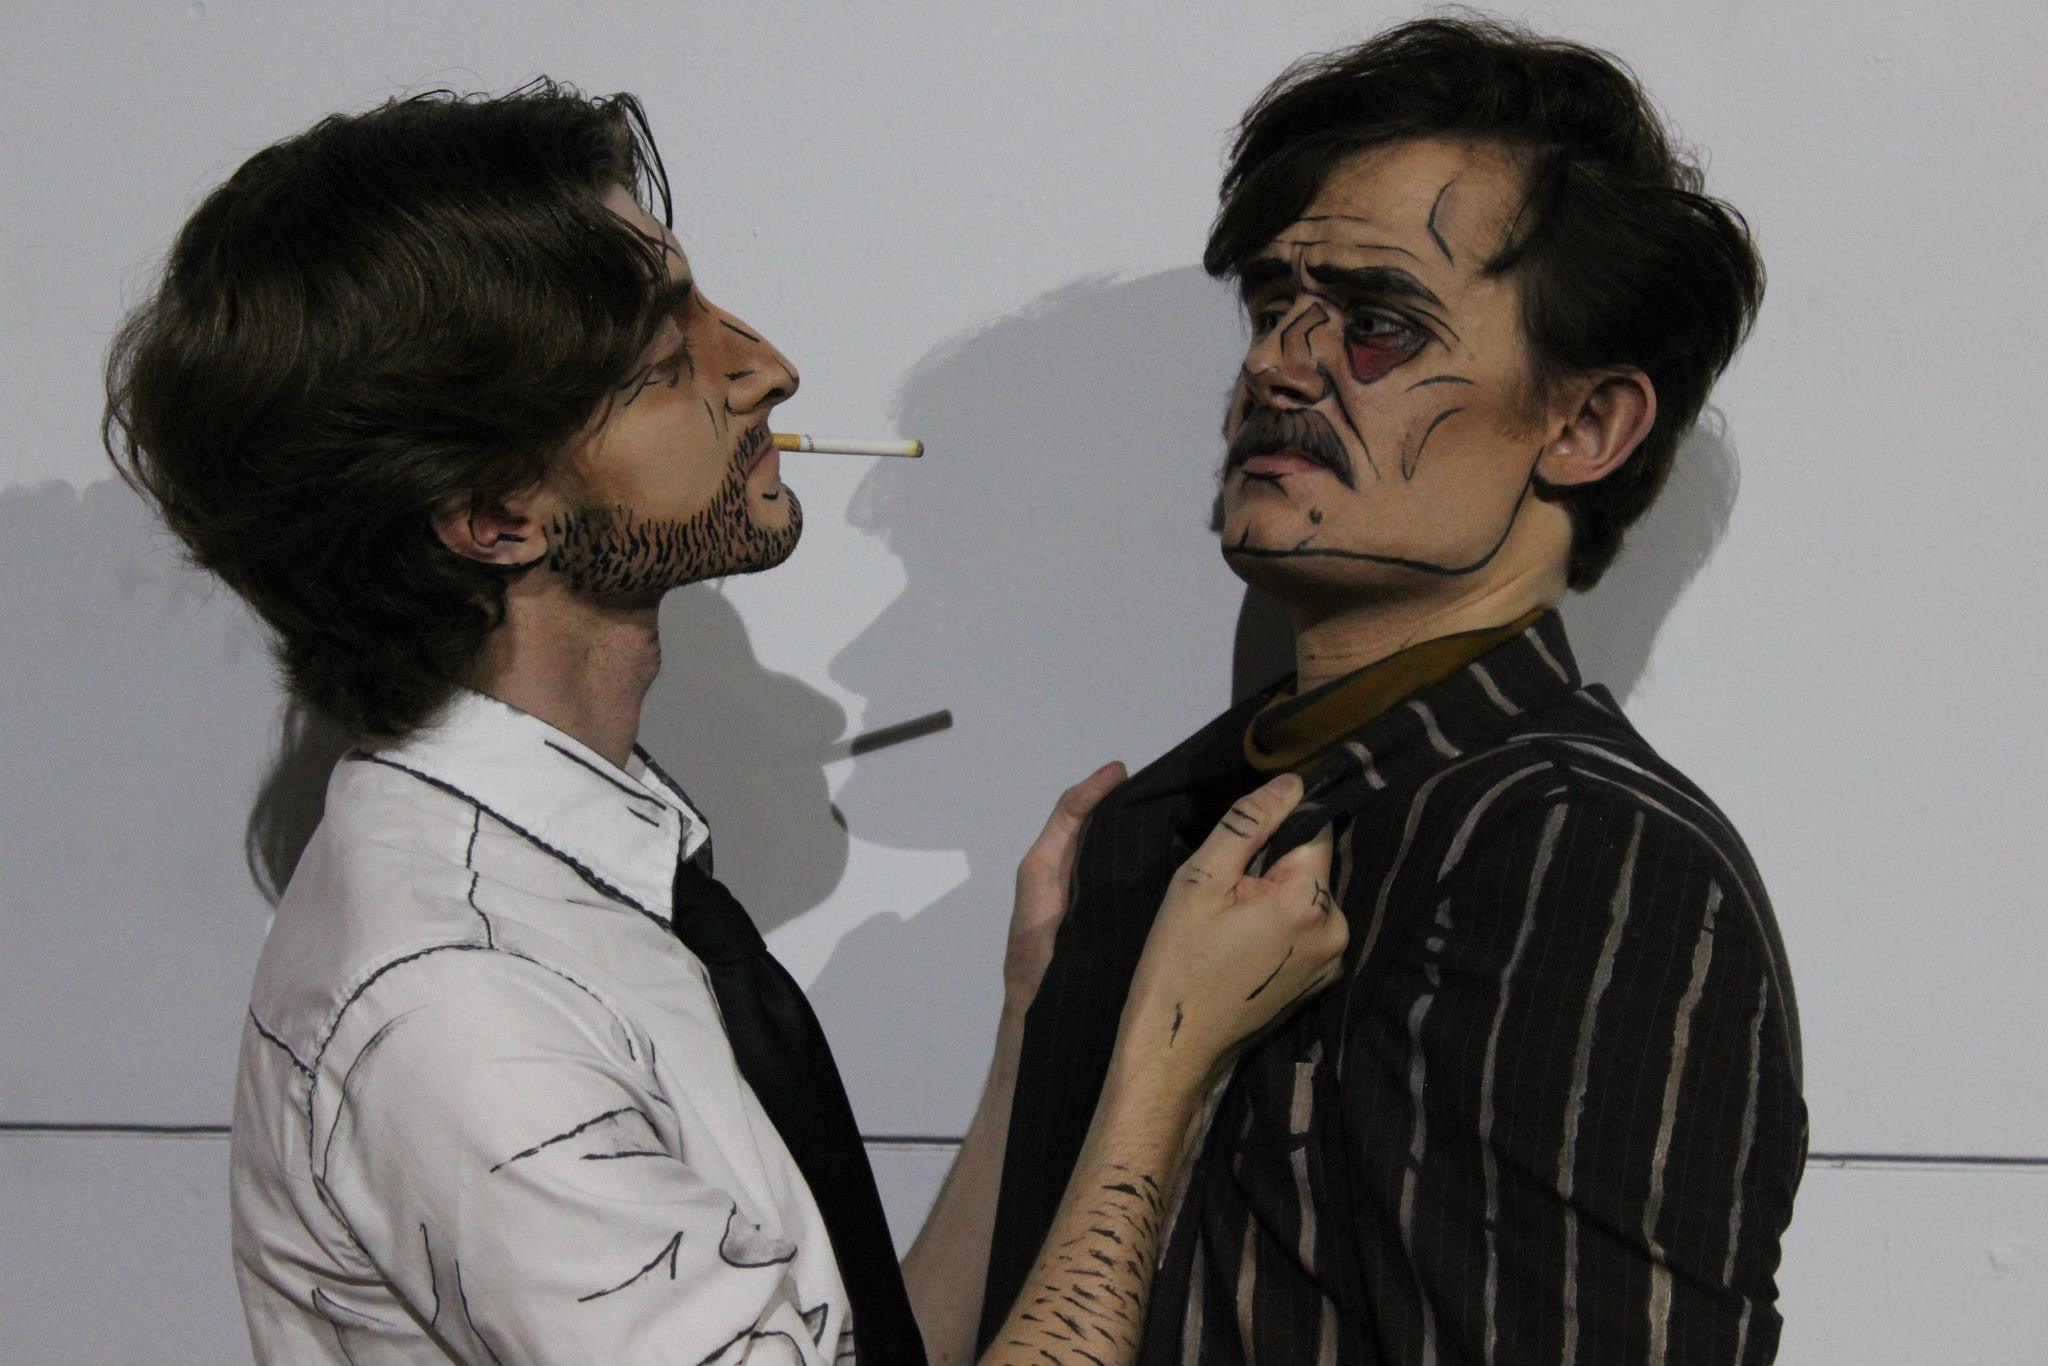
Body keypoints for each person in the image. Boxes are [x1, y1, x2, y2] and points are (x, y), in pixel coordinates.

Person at [104, 84, 1348, 1366]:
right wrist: (1166, 1070)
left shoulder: (569, 888)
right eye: (664, 360)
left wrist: (1037, 1030)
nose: (763, 366)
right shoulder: (461, 1008)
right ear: (494, 516)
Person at [982, 18, 1806, 1365]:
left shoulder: (1578, 856)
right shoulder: (1154, 832)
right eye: (1270, 307)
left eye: (1377, 323)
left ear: (1584, 425)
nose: (1276, 363)